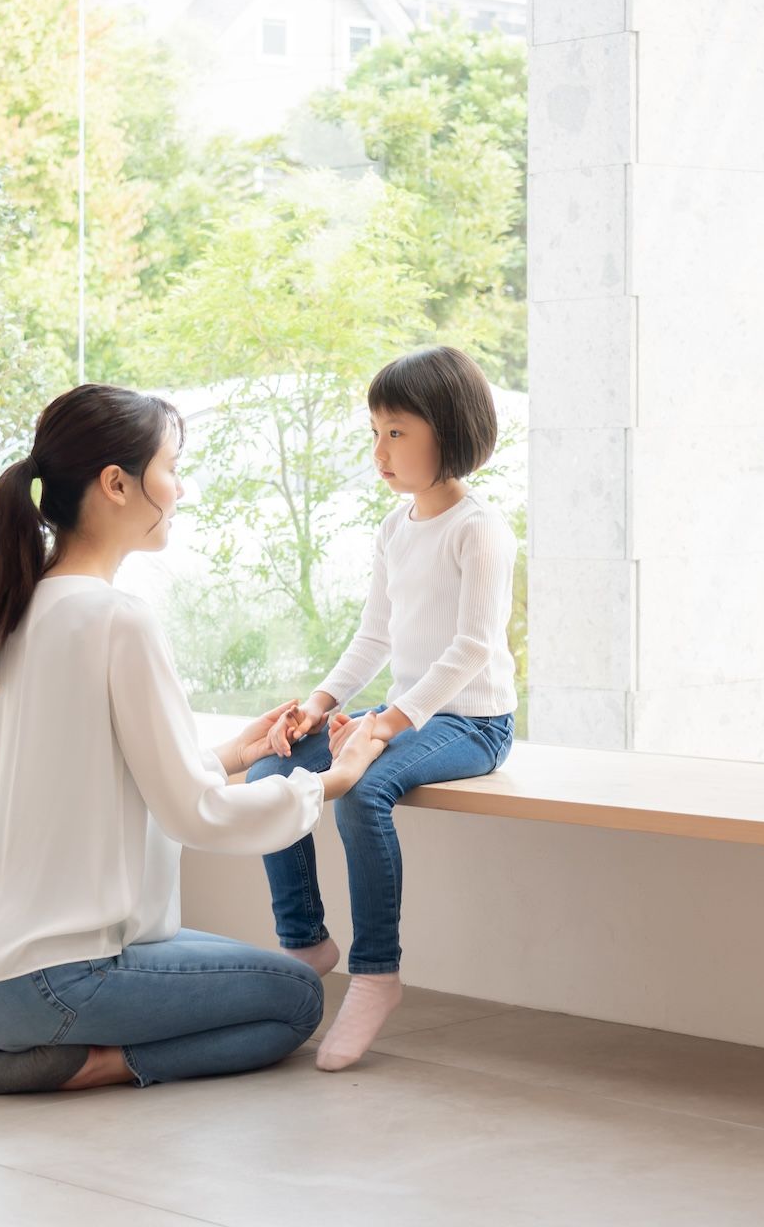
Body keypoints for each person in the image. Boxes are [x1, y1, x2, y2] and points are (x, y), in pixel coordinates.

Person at [0, 383, 387, 1094]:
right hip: (53, 984)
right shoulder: (118, 618)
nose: (179, 488)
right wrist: (331, 780)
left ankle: (25, 1046)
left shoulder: (22, 609)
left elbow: (102, 773)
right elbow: (194, 814)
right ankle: (91, 1062)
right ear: (117, 484)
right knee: (298, 999)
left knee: (266, 973)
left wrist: (238, 755)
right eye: (171, 467)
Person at [251, 347, 518, 1071]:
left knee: (362, 793)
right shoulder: (395, 530)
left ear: (450, 430)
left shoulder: (479, 530)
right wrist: (318, 706)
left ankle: (375, 976)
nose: (380, 451)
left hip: (471, 722)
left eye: (396, 432)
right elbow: (374, 635)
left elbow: (470, 648)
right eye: (375, 431)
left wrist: (386, 726)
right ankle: (305, 941)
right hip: (405, 710)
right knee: (271, 773)